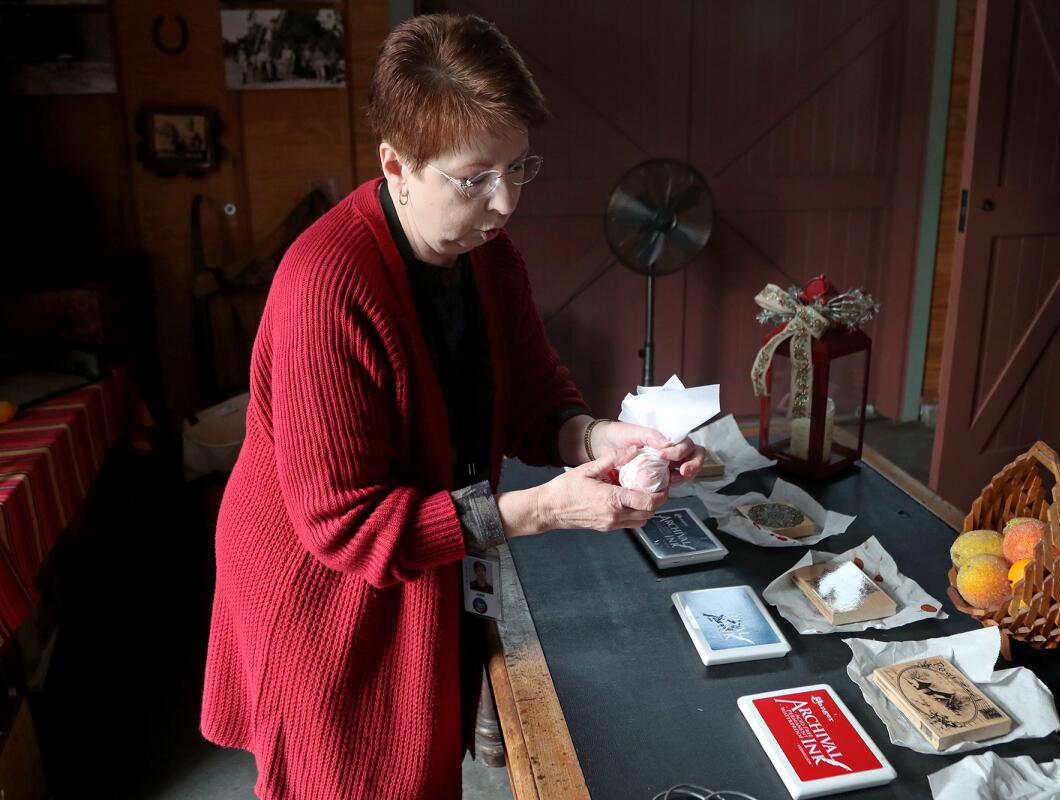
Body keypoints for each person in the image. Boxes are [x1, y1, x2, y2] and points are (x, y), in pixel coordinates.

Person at [200, 13, 704, 800]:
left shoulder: (488, 257)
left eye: (519, 167)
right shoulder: (325, 289)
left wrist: (602, 435)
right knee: (358, 777)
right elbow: (347, 527)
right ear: (396, 165)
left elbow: (535, 399)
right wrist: (540, 511)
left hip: (420, 558)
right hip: (324, 598)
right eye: (475, 179)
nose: (505, 204)